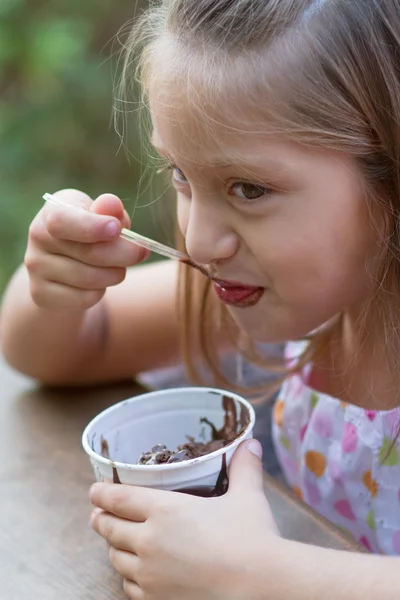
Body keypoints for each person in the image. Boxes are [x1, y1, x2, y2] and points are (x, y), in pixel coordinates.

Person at [2, 0, 400, 597]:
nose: (200, 239)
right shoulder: (283, 289)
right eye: (181, 175)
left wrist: (263, 579)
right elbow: (54, 355)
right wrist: (57, 288)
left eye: (249, 188)